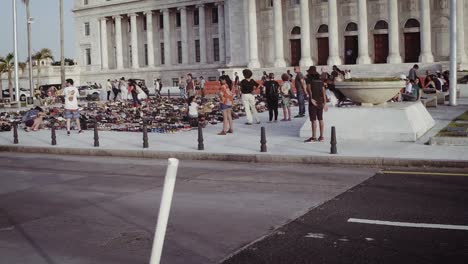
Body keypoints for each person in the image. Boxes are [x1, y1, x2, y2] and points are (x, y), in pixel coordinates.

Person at [304, 73, 328, 143]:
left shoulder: (310, 82)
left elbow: (309, 91)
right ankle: (321, 137)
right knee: (320, 119)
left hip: (313, 102)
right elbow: (324, 93)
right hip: (320, 102)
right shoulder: (321, 82)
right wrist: (325, 103)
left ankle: (314, 137)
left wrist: (311, 99)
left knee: (313, 120)